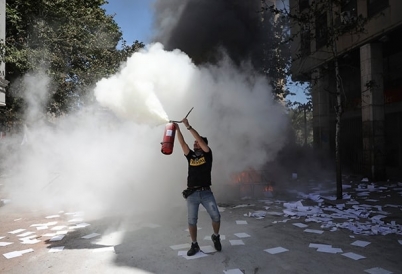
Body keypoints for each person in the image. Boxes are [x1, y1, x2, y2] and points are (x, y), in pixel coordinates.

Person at [175, 118, 222, 256]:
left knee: (216, 217)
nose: (195, 143)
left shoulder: (208, 155)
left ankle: (215, 236)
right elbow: (182, 143)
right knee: (192, 220)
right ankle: (194, 244)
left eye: (198, 142)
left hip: (206, 192)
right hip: (192, 194)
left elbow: (200, 140)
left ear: (204, 145)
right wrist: (178, 129)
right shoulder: (190, 156)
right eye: (195, 142)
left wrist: (188, 126)